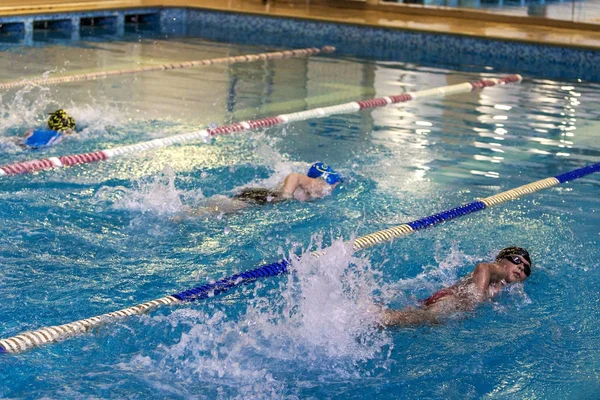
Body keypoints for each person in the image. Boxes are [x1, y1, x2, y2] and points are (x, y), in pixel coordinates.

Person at [380, 246, 532, 327]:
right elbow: (483, 267)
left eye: (526, 269)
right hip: (452, 299)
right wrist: (477, 299)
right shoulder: (499, 270)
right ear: (502, 259)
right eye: (517, 260)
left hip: (450, 298)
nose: (520, 268)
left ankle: (377, 315)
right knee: (418, 318)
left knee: (415, 319)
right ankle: (374, 317)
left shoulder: (503, 284)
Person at [232, 162, 343, 205]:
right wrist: (286, 196)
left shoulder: (316, 187)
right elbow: (294, 176)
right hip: (266, 197)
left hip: (265, 196)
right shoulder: (324, 186)